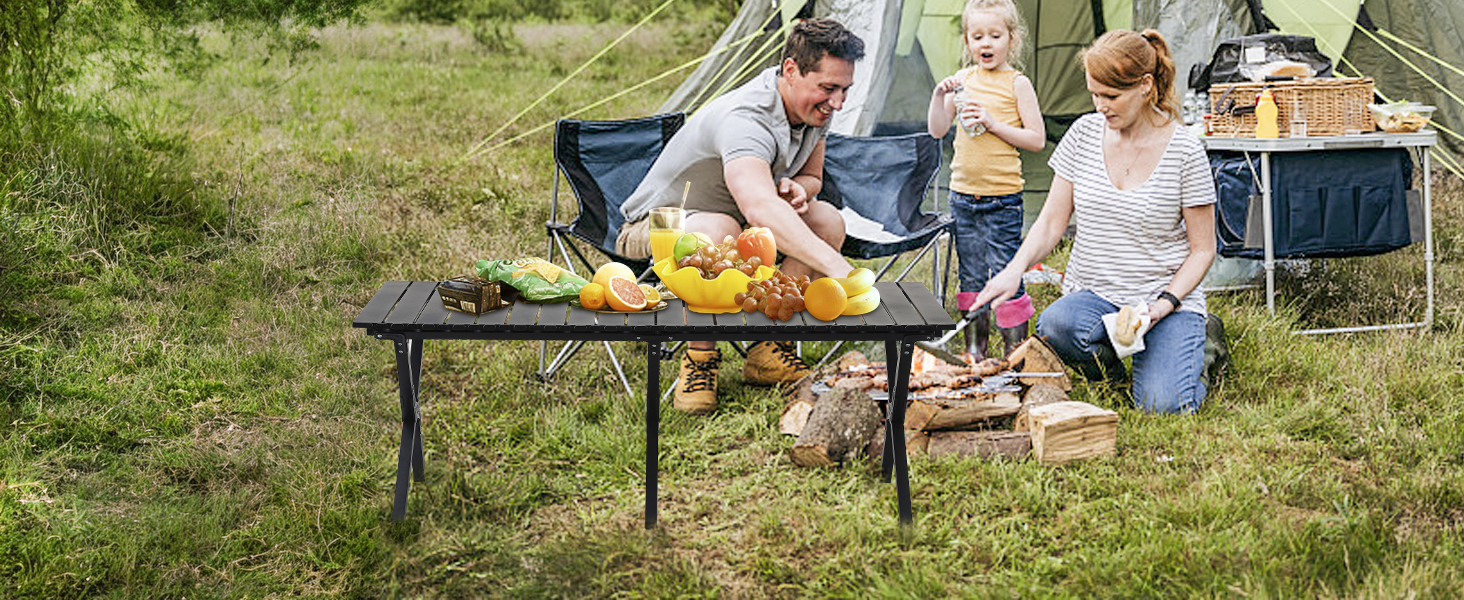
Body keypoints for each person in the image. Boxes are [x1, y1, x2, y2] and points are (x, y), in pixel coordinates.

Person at [617, 18, 865, 415]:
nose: (837, 103)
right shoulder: (746, 119)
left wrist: (803, 187)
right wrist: (839, 269)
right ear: (790, 70)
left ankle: (769, 346)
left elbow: (813, 176)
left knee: (826, 221)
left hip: (734, 222)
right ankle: (699, 361)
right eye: (828, 88)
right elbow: (759, 208)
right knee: (720, 230)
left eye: (845, 90)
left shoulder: (816, 109)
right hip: (658, 224)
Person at [972, 29, 1225, 414]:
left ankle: (1202, 347)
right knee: (1057, 325)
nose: (1100, 106)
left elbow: (1203, 250)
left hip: (1164, 301)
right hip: (1097, 298)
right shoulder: (1083, 135)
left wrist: (1163, 306)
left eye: (1111, 96)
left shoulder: (1185, 150)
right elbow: (1051, 223)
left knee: (1164, 407)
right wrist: (1014, 270)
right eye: (1094, 93)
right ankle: (1116, 375)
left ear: (1144, 86)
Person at [926, 0, 1045, 363]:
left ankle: (1015, 350)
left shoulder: (1017, 84)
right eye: (978, 36)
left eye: (995, 35)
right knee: (972, 274)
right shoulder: (962, 81)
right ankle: (974, 348)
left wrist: (994, 123)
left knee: (1008, 271)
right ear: (967, 40)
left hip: (1003, 199)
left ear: (1012, 38)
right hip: (963, 197)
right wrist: (938, 97)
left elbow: (1037, 139)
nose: (986, 44)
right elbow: (937, 130)